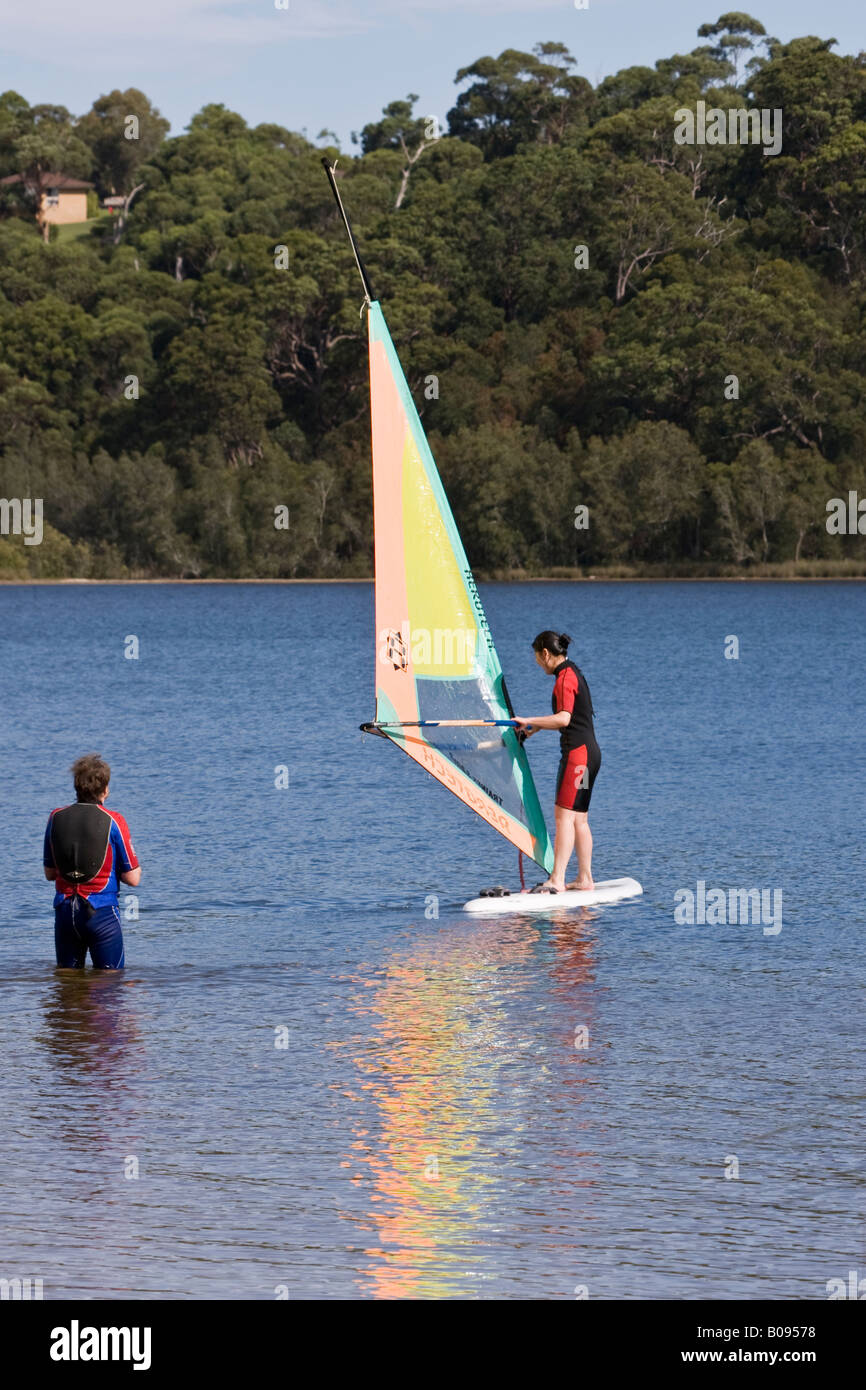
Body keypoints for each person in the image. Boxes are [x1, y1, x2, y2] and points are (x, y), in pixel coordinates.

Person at [514, 631, 601, 893]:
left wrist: (528, 719)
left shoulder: (564, 679)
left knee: (563, 817)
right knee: (579, 819)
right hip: (590, 755)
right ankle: (585, 879)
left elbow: (563, 719)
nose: (537, 663)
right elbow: (572, 718)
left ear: (545, 654)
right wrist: (536, 728)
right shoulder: (572, 671)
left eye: (537, 658)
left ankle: (557, 880)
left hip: (578, 757)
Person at [44, 754, 141, 969]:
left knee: (67, 987)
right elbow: (133, 878)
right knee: (109, 987)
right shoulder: (114, 820)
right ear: (105, 789)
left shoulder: (55, 817)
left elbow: (50, 873)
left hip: (65, 911)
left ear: (76, 787)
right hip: (102, 912)